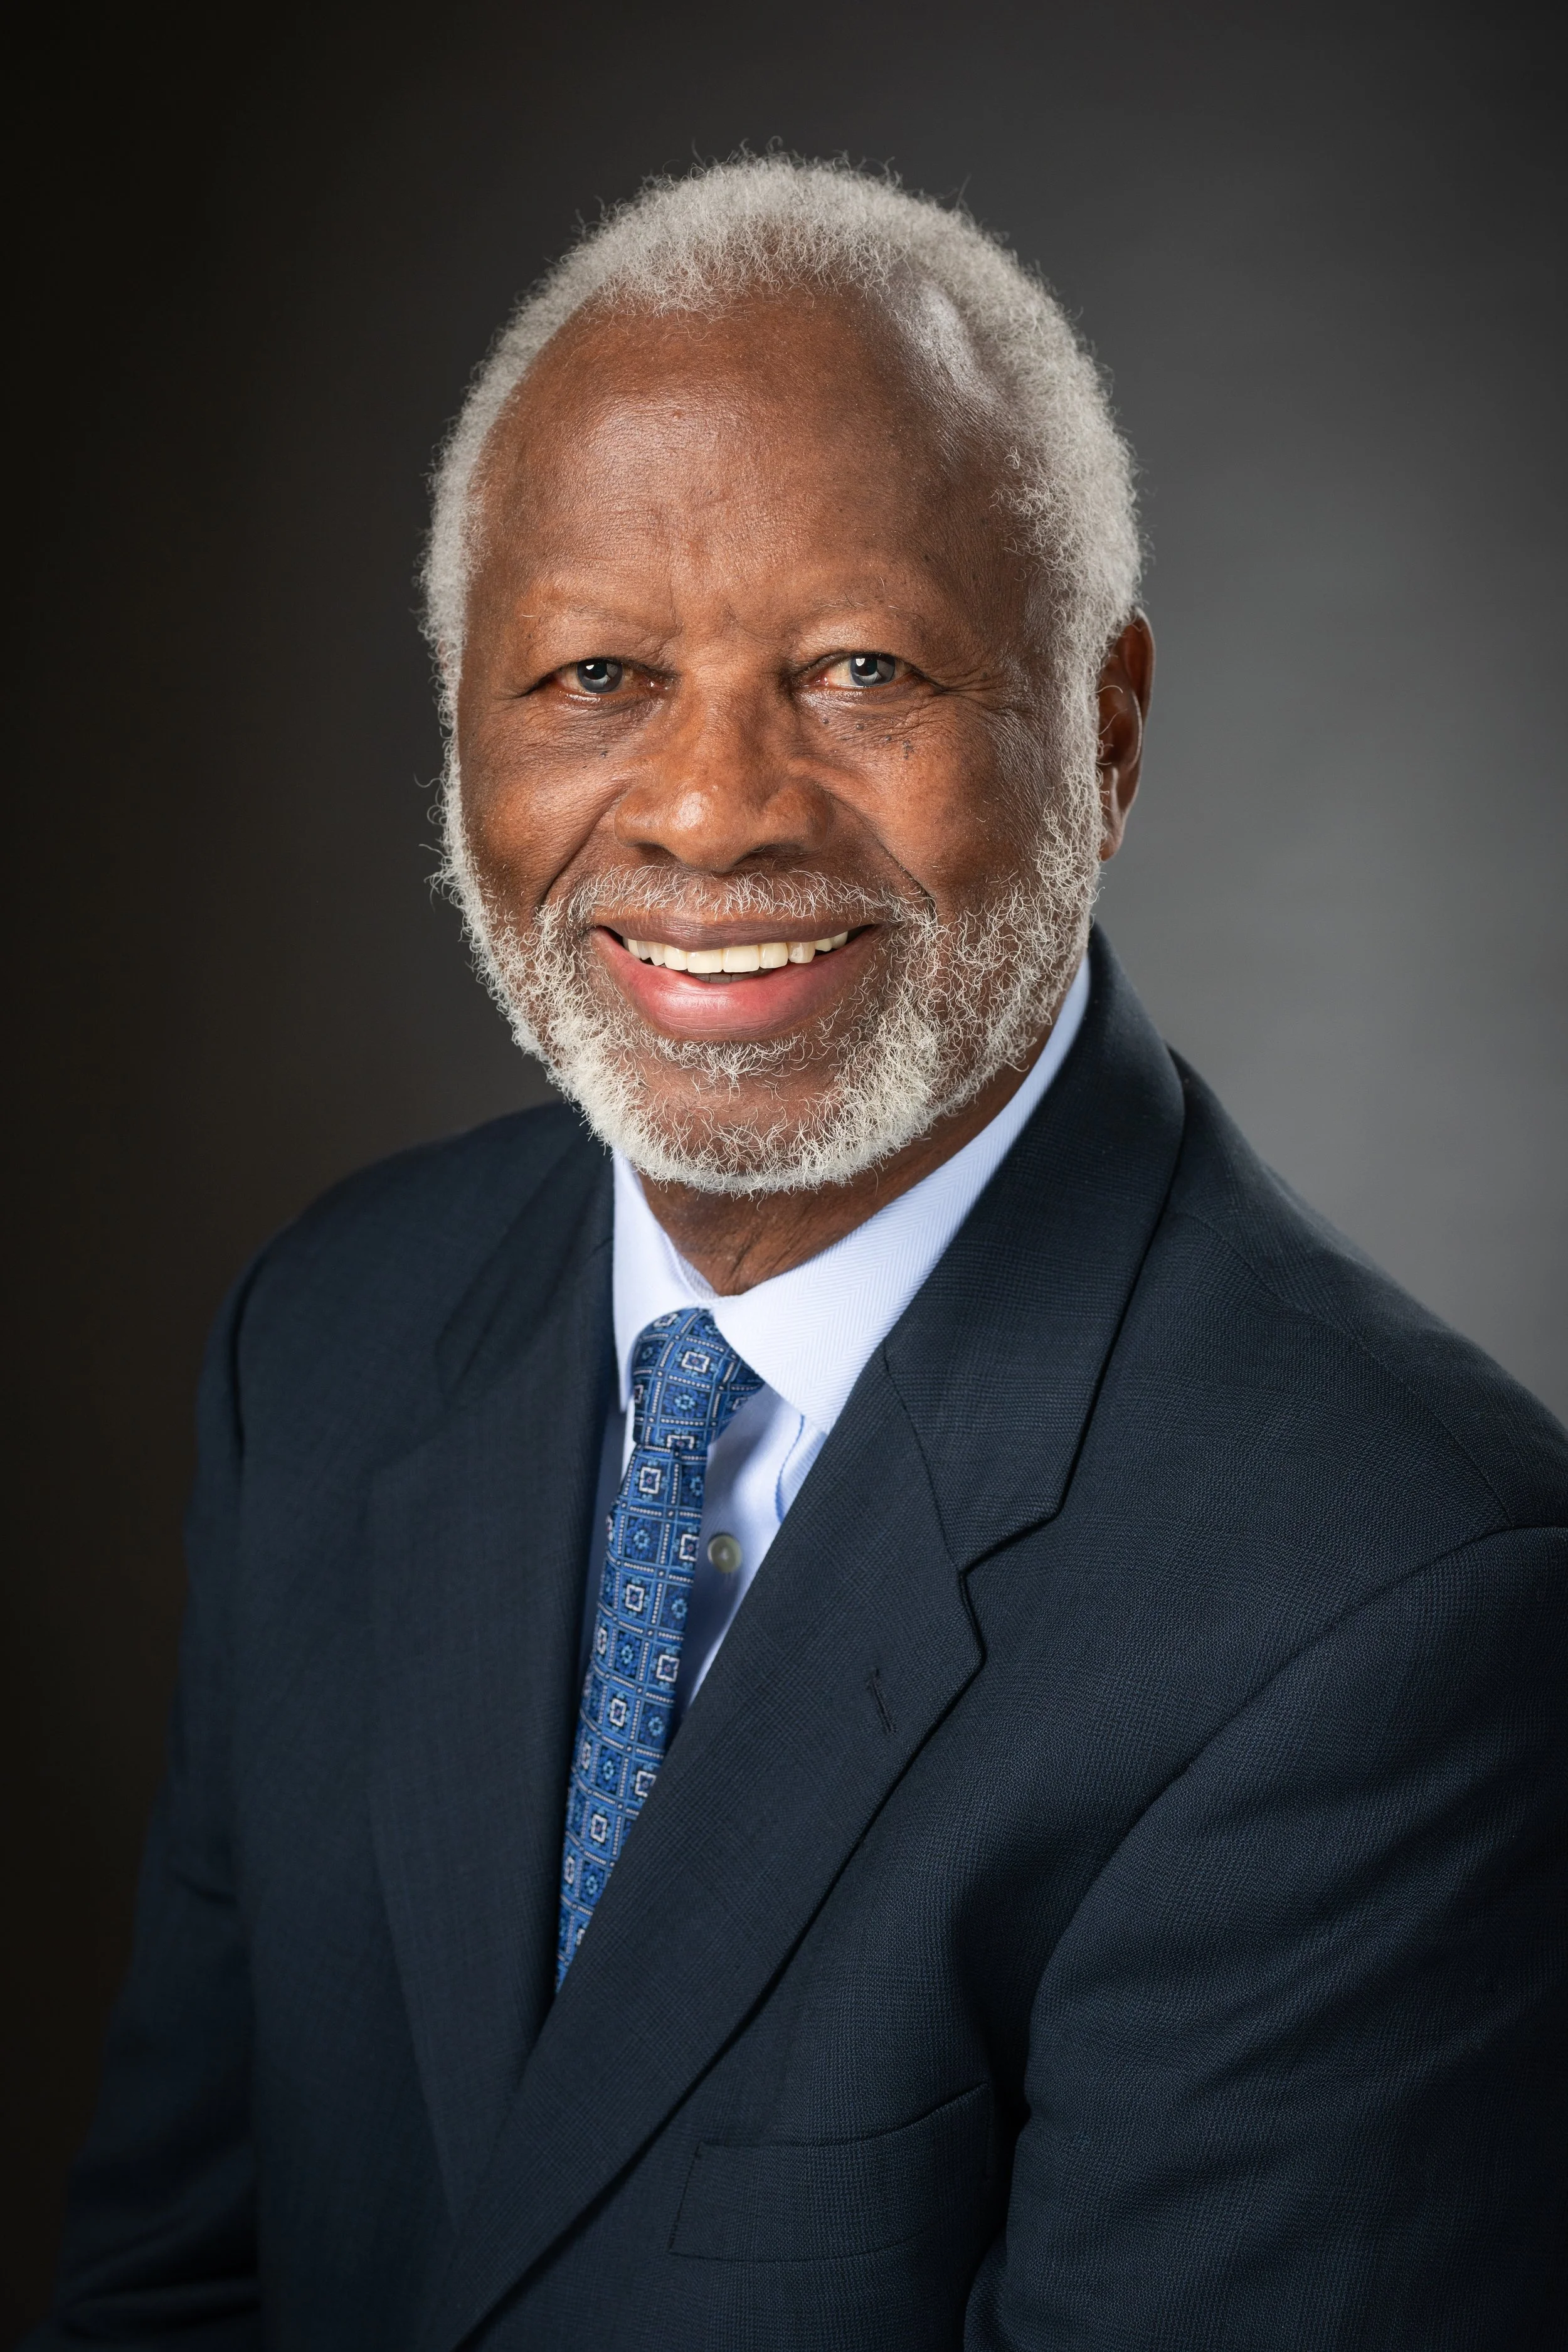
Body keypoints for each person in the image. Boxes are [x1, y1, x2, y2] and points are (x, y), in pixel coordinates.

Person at [33, 157, 1566, 2352]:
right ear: (456, 725)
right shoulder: (336, 1339)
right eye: (593, 673)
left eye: (858, 668)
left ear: (1104, 733)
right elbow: (174, 2285)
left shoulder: (1395, 1608)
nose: (706, 807)